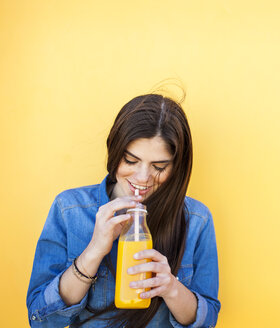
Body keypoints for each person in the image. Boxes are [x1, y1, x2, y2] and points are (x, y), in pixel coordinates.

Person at [26, 94, 220, 328]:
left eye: (159, 167)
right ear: (114, 151)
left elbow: (208, 320)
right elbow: (40, 320)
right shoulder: (69, 210)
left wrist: (171, 288)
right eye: (130, 161)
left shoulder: (197, 220)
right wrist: (93, 253)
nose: (142, 178)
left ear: (177, 167)